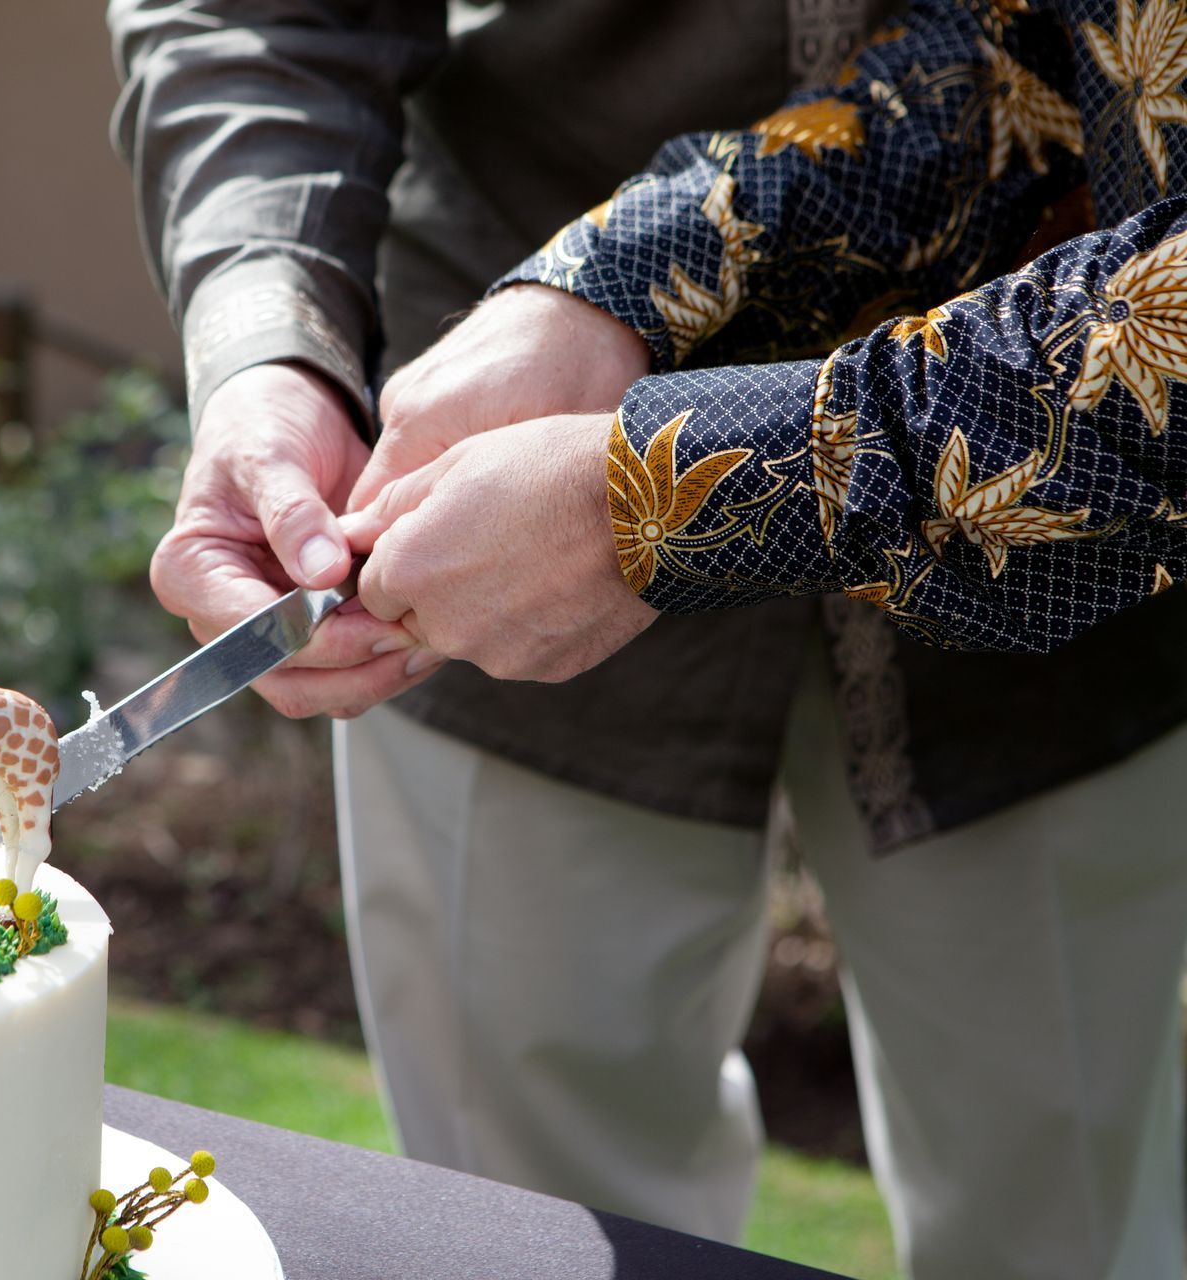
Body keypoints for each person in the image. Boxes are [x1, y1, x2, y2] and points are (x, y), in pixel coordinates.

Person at [109, 2, 1187, 1276]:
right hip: (485, 464)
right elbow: (1044, 78)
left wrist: (669, 495)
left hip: (1072, 581)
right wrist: (595, 292)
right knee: (525, 1238)